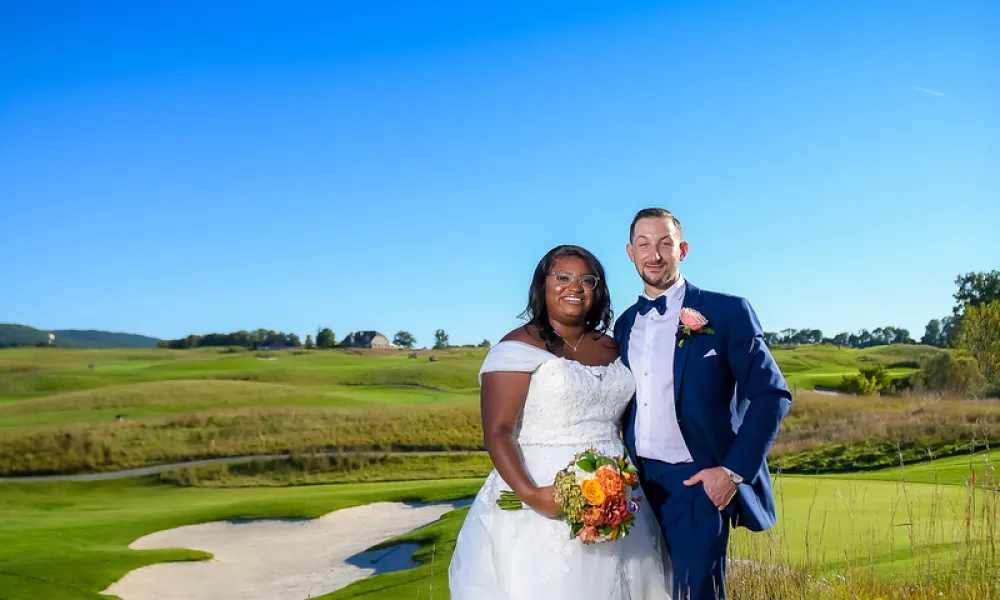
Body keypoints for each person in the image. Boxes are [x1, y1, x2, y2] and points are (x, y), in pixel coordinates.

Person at [448, 244, 672, 599]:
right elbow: (497, 432)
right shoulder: (517, 347)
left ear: (597, 290)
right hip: (542, 490)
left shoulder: (614, 347)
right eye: (562, 277)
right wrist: (532, 495)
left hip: (619, 492)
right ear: (542, 284)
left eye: (587, 280)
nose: (575, 287)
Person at [613, 208, 792, 600]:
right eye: (643, 244)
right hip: (635, 488)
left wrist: (731, 472)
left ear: (683, 249)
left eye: (664, 243)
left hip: (696, 484)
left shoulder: (726, 312)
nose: (654, 254)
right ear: (630, 252)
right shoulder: (625, 324)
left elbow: (772, 395)